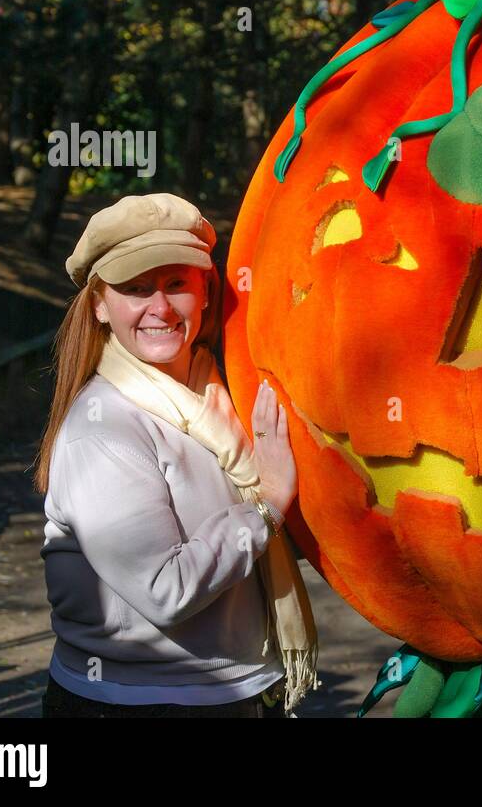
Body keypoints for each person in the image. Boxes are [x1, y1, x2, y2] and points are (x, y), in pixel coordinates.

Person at [34, 193, 319, 717]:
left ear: (205, 291)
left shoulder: (218, 396)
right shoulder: (103, 429)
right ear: (99, 304)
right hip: (132, 704)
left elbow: (268, 546)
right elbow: (166, 589)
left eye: (176, 284)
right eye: (136, 289)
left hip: (239, 690)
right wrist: (268, 503)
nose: (160, 308)